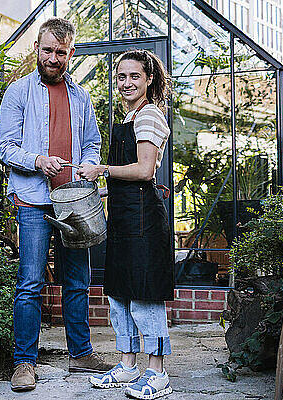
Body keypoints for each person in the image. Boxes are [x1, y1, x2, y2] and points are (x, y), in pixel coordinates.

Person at [0, 17, 111, 392]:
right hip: (33, 201)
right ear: (36, 49)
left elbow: (92, 142)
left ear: (71, 53)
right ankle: (24, 363)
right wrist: (38, 160)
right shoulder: (17, 92)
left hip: (73, 202)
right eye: (47, 50)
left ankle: (81, 355)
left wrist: (89, 169)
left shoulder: (81, 96)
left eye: (61, 52)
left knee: (77, 281)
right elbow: (6, 148)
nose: (53, 57)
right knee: (30, 283)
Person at [77, 49, 174, 399]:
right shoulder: (130, 116)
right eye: (121, 76)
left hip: (143, 222)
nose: (127, 83)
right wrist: (99, 190)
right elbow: (127, 176)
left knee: (144, 297)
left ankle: (157, 372)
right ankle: (128, 365)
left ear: (149, 80)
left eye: (135, 76)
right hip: (121, 219)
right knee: (119, 295)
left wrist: (102, 169)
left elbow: (145, 171)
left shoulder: (148, 116)